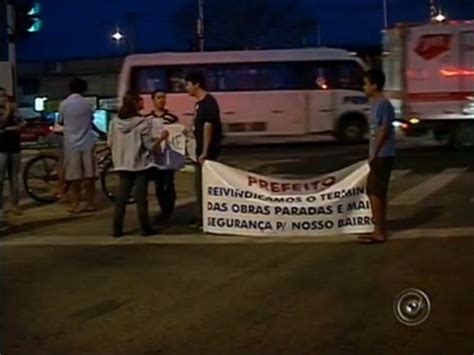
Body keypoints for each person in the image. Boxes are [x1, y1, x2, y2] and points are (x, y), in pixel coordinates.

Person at [108, 91, 169, 238]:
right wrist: (162, 138)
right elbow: (149, 146)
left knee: (121, 199)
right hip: (140, 164)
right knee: (141, 198)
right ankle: (145, 228)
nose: (143, 104)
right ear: (135, 103)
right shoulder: (143, 123)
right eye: (140, 101)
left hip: (122, 163)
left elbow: (110, 142)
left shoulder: (114, 122)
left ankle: (117, 230)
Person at [359, 69, 396, 244]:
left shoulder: (383, 104)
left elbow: (384, 129)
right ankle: (379, 229)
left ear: (374, 85)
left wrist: (374, 152)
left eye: (366, 83)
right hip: (378, 153)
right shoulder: (374, 103)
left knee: (374, 191)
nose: (363, 87)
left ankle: (378, 232)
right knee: (377, 192)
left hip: (383, 154)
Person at [185, 72, 223, 228]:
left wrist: (204, 152)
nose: (186, 88)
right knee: (199, 187)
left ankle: (206, 219)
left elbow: (208, 127)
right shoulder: (199, 103)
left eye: (187, 84)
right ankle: (202, 216)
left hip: (205, 153)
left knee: (204, 187)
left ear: (196, 84)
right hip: (199, 151)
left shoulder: (208, 102)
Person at [58, 78, 100, 214]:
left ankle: (75, 204)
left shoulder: (64, 104)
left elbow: (61, 121)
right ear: (84, 89)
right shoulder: (87, 104)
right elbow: (91, 120)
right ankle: (90, 203)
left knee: (73, 177)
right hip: (88, 142)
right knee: (89, 175)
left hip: (71, 144)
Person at [146, 89, 180, 226]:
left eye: (163, 97)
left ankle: (168, 213)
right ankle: (163, 211)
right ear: (153, 100)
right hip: (155, 157)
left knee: (169, 184)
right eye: (159, 97)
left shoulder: (172, 117)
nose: (162, 100)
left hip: (169, 155)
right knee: (159, 185)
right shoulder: (147, 119)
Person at [0, 91, 25, 232]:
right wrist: (8, 112)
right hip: (1, 149)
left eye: (4, 96)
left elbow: (22, 124)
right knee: (0, 179)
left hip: (14, 147)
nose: (3, 98)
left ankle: (15, 204)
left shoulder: (15, 110)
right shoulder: (7, 111)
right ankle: (1, 207)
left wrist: (10, 128)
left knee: (14, 178)